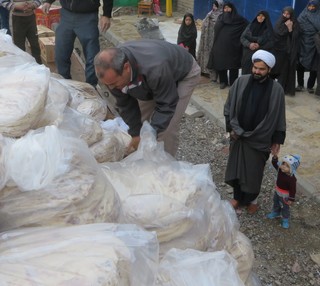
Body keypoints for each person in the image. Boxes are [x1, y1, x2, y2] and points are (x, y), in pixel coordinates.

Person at [94, 39, 201, 157]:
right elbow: (126, 104)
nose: (111, 88)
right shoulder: (112, 76)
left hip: (183, 73)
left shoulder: (155, 68)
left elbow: (167, 105)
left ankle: (165, 166)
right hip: (152, 79)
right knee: (142, 123)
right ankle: (143, 158)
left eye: (114, 83)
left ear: (126, 67)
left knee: (166, 129)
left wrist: (152, 132)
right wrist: (135, 134)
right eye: (108, 84)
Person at [224, 50, 286, 214]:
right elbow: (229, 106)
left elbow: (279, 115)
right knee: (237, 170)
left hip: (260, 139)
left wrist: (277, 139)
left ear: (269, 70)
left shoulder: (276, 90)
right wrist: (231, 128)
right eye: (255, 67)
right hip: (238, 136)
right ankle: (237, 198)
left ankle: (252, 200)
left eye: (261, 69)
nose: (257, 71)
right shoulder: (241, 82)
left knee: (254, 171)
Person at [41, 0, 113, 86]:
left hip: (88, 16)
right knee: (60, 54)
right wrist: (48, 1)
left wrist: (106, 14)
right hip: (66, 15)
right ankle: (65, 84)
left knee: (92, 56)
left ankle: (91, 87)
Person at [207, 2, 248, 89]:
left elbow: (247, 27)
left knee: (233, 65)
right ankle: (223, 81)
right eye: (225, 8)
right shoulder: (221, 18)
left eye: (228, 8)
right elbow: (216, 29)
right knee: (221, 63)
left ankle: (233, 82)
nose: (227, 10)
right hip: (221, 45)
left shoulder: (239, 19)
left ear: (232, 9)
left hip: (234, 47)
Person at [271, 7, 300, 96]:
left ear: (291, 15)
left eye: (288, 14)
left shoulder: (295, 23)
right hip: (277, 50)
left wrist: (290, 28)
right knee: (274, 70)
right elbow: (275, 32)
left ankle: (281, 89)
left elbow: (295, 38)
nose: (285, 15)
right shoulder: (279, 21)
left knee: (284, 72)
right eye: (284, 13)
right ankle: (271, 87)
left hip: (287, 52)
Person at [267, 154, 301, 229]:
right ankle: (276, 212)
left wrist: (291, 199)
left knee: (285, 207)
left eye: (287, 166)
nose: (283, 166)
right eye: (283, 164)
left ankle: (285, 219)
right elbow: (275, 164)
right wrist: (275, 158)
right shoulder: (280, 170)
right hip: (277, 191)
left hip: (285, 195)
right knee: (275, 202)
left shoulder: (292, 179)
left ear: (292, 168)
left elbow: (293, 190)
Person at [296, 0, 320, 93]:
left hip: (315, 43)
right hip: (303, 42)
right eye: (309, 6)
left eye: (313, 6)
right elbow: (298, 26)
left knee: (314, 65)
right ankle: (300, 84)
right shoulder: (303, 14)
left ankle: (310, 86)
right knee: (301, 64)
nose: (311, 8)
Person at [240, 10, 274, 75]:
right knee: (246, 73)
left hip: (261, 56)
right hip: (247, 54)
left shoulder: (268, 29)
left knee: (257, 73)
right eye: (258, 15)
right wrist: (249, 44)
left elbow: (271, 43)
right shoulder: (250, 26)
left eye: (262, 16)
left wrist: (259, 46)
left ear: (266, 18)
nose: (260, 17)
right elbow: (242, 37)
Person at [197, 1, 222, 81]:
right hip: (207, 38)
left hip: (216, 39)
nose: (214, 7)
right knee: (205, 53)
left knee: (213, 55)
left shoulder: (222, 16)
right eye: (213, 5)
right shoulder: (210, 13)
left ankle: (213, 73)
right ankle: (204, 70)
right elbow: (204, 23)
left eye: (216, 6)